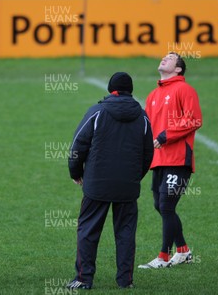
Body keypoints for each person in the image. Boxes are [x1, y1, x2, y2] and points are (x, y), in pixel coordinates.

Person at [66, 72, 154, 290]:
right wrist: (134, 177)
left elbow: (77, 147)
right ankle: (126, 281)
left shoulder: (97, 112)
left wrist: (75, 172)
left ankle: (84, 278)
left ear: (110, 89)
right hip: (127, 186)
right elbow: (148, 154)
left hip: (97, 185)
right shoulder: (142, 116)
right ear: (130, 91)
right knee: (125, 233)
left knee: (88, 231)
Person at [138, 52, 202, 269]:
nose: (164, 59)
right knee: (160, 205)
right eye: (164, 57)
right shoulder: (153, 95)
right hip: (158, 160)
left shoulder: (184, 89)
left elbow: (193, 119)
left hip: (177, 159)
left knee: (166, 205)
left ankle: (163, 256)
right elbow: (147, 128)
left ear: (178, 69)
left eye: (170, 58)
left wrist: (166, 135)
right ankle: (183, 250)